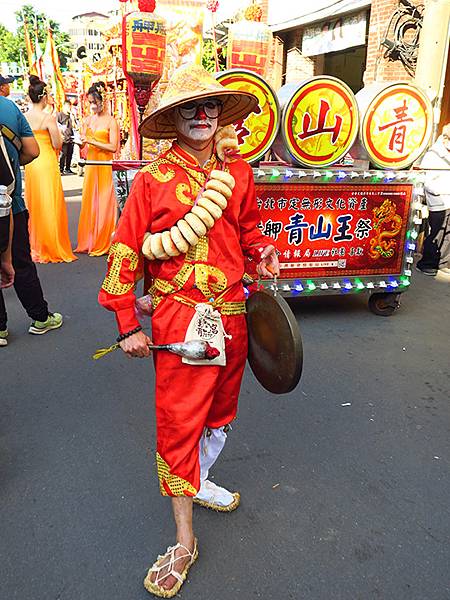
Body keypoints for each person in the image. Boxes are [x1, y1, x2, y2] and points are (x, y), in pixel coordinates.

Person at [98, 64, 279, 598]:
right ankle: (183, 539)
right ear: (175, 118)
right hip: (181, 322)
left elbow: (249, 231)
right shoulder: (152, 181)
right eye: (189, 109)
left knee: (220, 415)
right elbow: (125, 249)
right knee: (180, 424)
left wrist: (262, 254)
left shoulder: (239, 173)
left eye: (210, 108)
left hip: (234, 316)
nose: (202, 117)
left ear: (221, 115)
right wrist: (127, 321)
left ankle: (199, 478)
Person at [0, 89, 63, 346]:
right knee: (20, 261)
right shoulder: (9, 108)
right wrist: (12, 166)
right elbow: (32, 150)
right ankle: (39, 317)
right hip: (9, 202)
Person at [24, 76, 77, 264]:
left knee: (35, 202)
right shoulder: (48, 118)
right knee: (50, 201)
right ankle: (52, 243)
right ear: (44, 97)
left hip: (31, 163)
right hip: (46, 160)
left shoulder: (25, 117)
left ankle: (36, 244)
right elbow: (57, 142)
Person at [75, 81, 119, 256]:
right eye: (90, 102)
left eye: (95, 102)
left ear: (103, 101)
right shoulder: (87, 120)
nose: (93, 106)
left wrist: (92, 141)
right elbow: (84, 147)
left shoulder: (111, 121)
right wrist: (81, 144)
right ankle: (89, 240)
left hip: (105, 164)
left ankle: (104, 240)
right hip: (92, 165)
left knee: (105, 202)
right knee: (90, 202)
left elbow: (113, 147)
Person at [416, 123, 450, 277]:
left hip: (449, 199)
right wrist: (440, 192)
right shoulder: (433, 155)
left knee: (448, 234)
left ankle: (442, 262)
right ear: (444, 138)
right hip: (438, 201)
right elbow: (426, 181)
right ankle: (426, 263)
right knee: (436, 233)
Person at [57, 100, 75, 174]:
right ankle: (61, 169)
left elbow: (74, 126)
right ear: (64, 106)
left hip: (71, 137)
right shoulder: (59, 115)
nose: (69, 108)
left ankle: (68, 168)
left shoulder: (71, 116)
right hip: (63, 138)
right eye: (68, 106)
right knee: (63, 154)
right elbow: (57, 126)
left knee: (70, 153)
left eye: (70, 107)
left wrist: (73, 118)